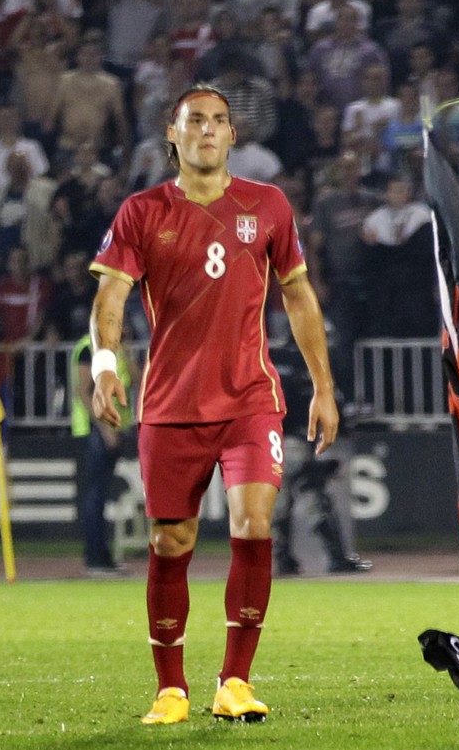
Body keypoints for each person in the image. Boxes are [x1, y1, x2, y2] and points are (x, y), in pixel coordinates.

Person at [89, 85, 339, 725]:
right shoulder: (142, 212)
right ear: (170, 136)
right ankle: (170, 688)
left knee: (254, 523)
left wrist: (323, 386)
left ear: (234, 137)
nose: (207, 129)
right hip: (170, 407)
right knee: (171, 541)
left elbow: (300, 298)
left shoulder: (269, 205)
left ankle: (234, 680)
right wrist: (105, 366)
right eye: (194, 120)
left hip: (250, 401)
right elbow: (111, 299)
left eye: (219, 121)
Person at [70, 333, 132, 575]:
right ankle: (94, 557)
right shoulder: (89, 348)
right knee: (95, 494)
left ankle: (102, 555)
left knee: (101, 493)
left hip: (112, 430)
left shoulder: (117, 348)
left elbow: (134, 378)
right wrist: (105, 429)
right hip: (94, 430)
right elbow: (84, 392)